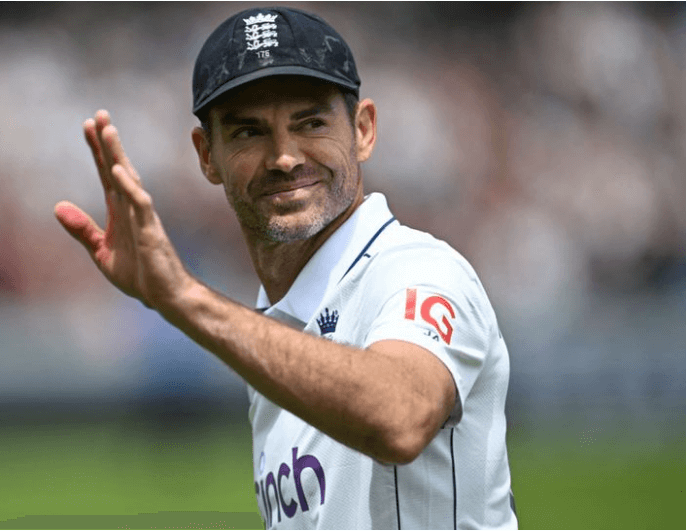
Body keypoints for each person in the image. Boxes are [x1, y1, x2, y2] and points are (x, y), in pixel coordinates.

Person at [54, 6, 517, 529]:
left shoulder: (418, 271)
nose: (284, 157)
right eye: (249, 132)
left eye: (311, 123)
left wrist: (181, 296)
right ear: (207, 156)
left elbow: (400, 417)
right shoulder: (276, 327)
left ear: (363, 130)